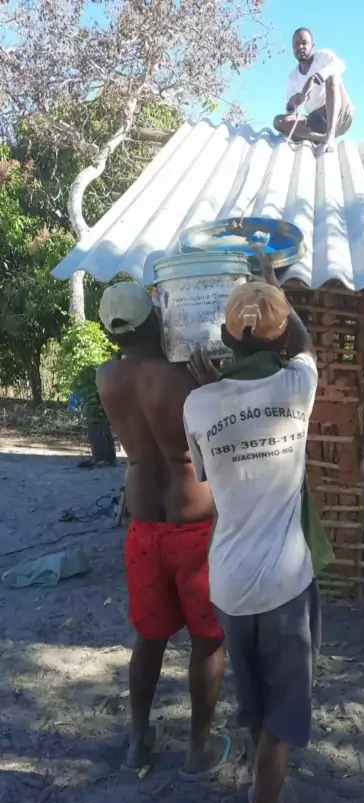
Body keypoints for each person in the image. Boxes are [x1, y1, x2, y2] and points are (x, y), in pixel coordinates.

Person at [184, 253, 332, 803]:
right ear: (279, 338)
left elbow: (208, 473)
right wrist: (274, 288)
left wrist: (215, 395)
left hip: (228, 584)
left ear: (225, 338)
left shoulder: (198, 404)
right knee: (282, 721)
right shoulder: (299, 385)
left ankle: (264, 792)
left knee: (254, 704)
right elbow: (304, 344)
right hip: (285, 586)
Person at [96, 280, 240, 777]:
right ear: (157, 320)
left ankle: (139, 740)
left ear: (110, 332)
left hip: (143, 527)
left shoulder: (106, 377)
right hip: (194, 527)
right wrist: (215, 385)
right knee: (208, 639)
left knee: (149, 636)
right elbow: (226, 428)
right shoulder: (184, 375)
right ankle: (199, 749)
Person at [273, 27, 354, 149]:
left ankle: (330, 136)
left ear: (313, 46)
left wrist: (316, 77)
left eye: (304, 43)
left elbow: (341, 65)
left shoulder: (323, 56)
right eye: (296, 45)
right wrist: (292, 103)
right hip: (317, 121)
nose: (300, 47)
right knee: (278, 121)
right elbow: (290, 112)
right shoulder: (292, 78)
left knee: (332, 76)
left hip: (341, 114)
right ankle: (320, 138)